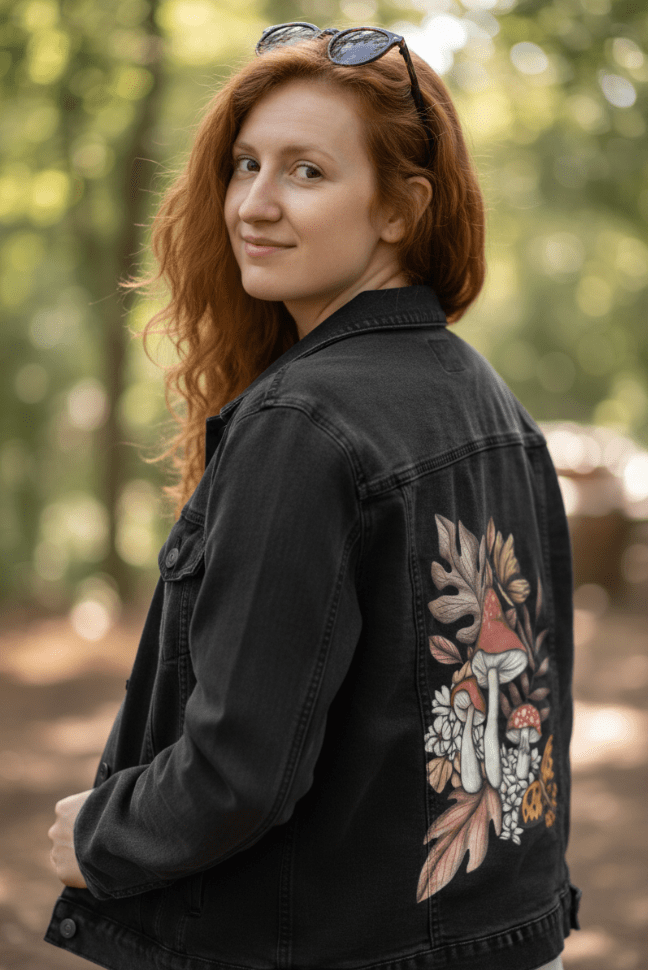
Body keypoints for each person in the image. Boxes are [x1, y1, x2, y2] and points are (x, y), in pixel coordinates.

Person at [45, 23, 581, 970]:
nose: (252, 203)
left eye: (306, 173)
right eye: (245, 164)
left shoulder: (303, 422)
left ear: (400, 211)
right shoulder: (493, 402)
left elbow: (237, 773)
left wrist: (101, 835)